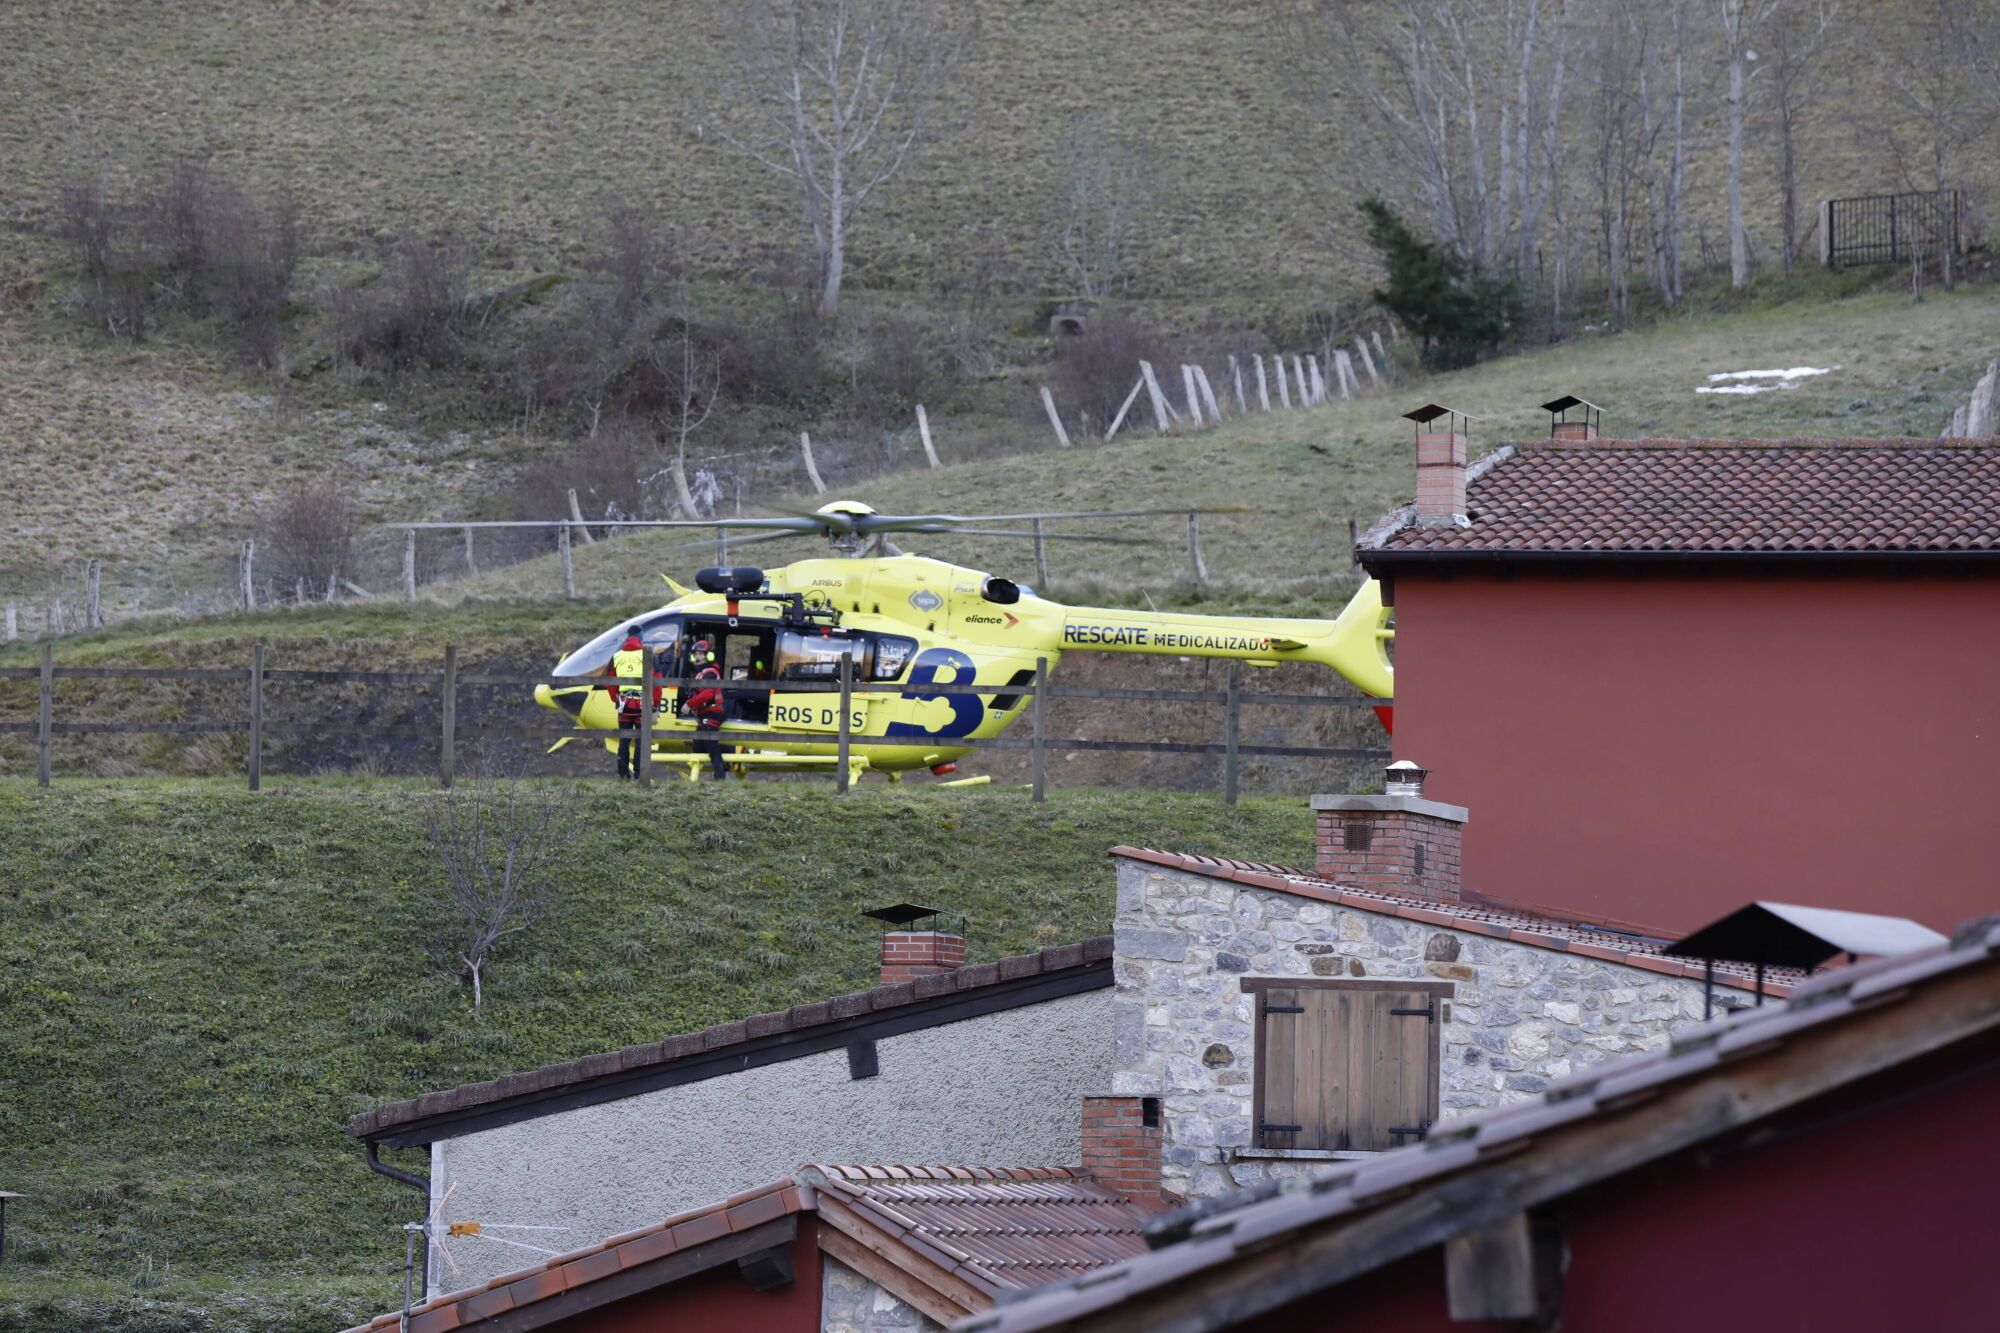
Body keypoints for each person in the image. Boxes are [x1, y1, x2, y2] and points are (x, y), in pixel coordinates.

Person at [681, 638, 729, 779]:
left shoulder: (710, 672)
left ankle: (720, 778)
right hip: (704, 714)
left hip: (713, 713)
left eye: (701, 654)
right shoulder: (700, 673)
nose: (698, 657)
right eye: (696, 654)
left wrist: (689, 704)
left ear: (708, 656)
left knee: (710, 746)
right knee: (698, 747)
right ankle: (730, 750)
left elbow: (708, 694)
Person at [610, 632, 647, 779]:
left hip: (624, 704)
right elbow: (656, 679)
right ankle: (639, 775)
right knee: (641, 741)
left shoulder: (617, 656)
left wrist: (615, 698)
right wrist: (655, 703)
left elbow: (610, 681)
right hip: (642, 704)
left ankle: (624, 776)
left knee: (624, 741)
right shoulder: (646, 655)